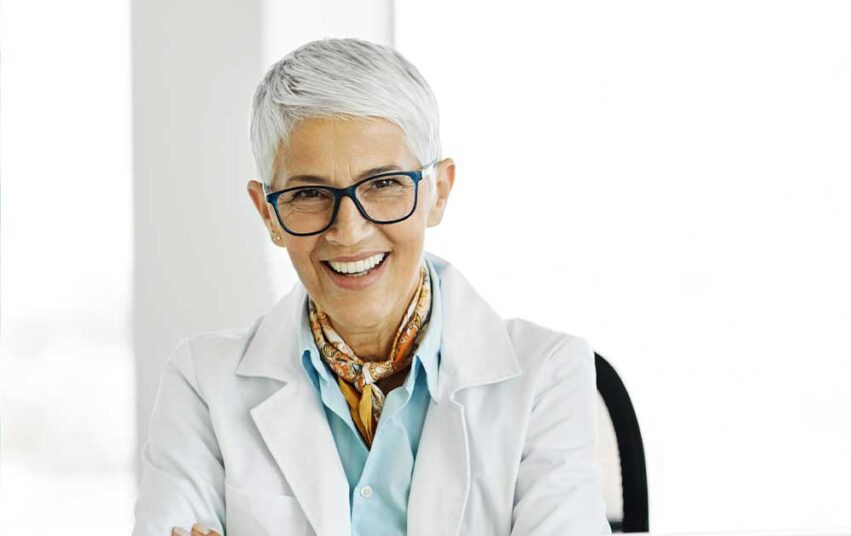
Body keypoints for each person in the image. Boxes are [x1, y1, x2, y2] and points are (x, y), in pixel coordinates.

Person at [131, 37, 611, 536]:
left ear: (438, 192)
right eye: (310, 193)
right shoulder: (203, 383)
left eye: (383, 184)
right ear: (267, 213)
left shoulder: (548, 373)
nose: (348, 231)